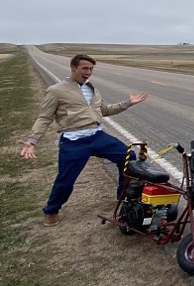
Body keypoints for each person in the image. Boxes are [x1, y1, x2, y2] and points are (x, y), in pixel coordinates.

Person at [20, 54, 148, 226]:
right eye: (85, 68)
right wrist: (32, 141)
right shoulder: (56, 91)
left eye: (91, 69)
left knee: (128, 157)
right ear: (73, 68)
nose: (88, 72)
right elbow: (44, 117)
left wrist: (128, 103)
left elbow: (104, 110)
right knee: (66, 179)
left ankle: (123, 197)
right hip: (74, 141)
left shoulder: (92, 89)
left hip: (97, 136)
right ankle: (51, 210)